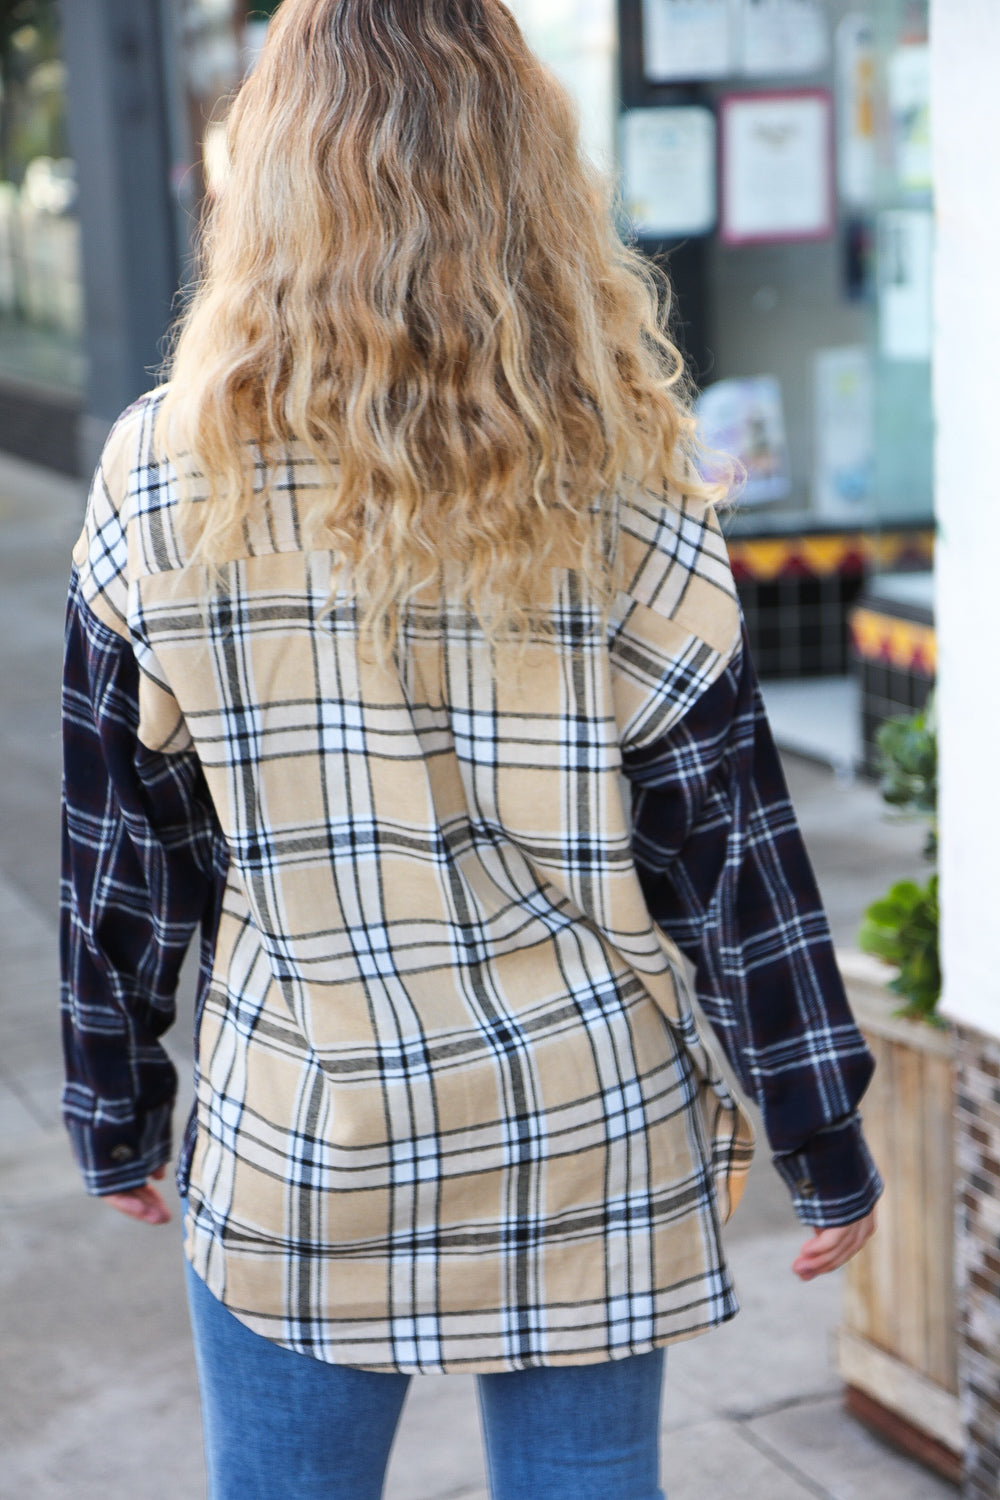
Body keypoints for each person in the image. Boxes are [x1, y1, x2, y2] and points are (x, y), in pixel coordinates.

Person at [59, 2, 880, 1496]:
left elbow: (126, 843)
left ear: (278, 168)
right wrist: (819, 1129)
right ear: (529, 171)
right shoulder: (630, 474)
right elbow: (727, 844)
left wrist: (115, 1103)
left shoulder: (161, 473)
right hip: (584, 1117)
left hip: (311, 1121)